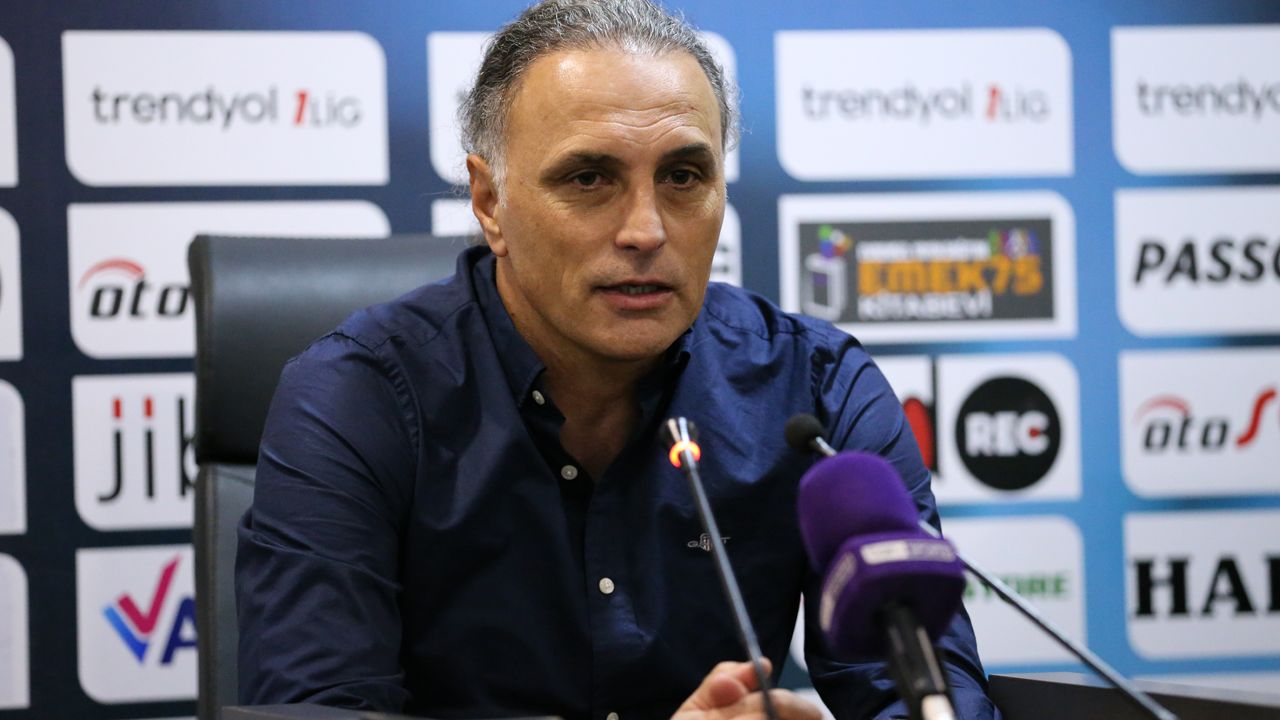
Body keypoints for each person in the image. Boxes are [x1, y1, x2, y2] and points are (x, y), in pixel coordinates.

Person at [236, 1, 1001, 718]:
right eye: (589, 179)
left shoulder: (818, 393)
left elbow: (926, 694)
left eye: (683, 177)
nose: (645, 230)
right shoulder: (356, 398)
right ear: (490, 202)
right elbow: (319, 708)